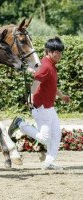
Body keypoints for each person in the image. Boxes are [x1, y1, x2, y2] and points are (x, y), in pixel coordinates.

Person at [8, 37, 70, 170]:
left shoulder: (51, 65)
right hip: (41, 107)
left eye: (60, 52)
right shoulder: (46, 66)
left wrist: (62, 96)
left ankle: (49, 162)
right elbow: (36, 83)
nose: (59, 55)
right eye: (56, 52)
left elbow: (51, 87)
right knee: (45, 138)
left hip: (49, 107)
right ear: (48, 51)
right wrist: (30, 97)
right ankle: (20, 123)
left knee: (56, 134)